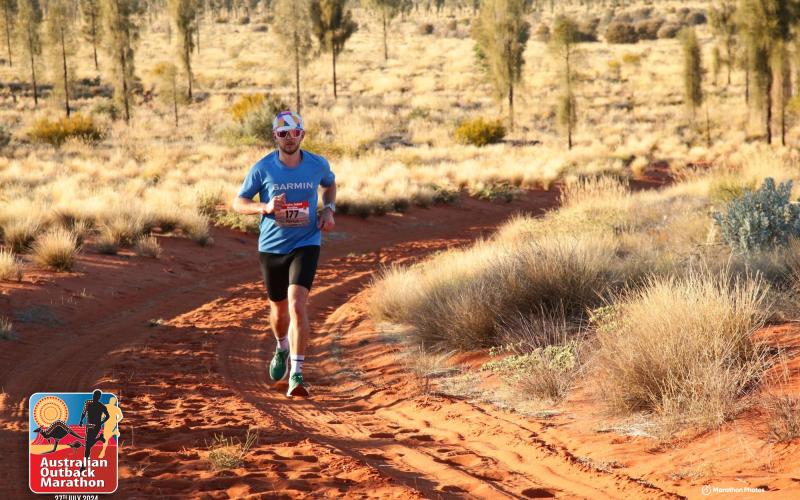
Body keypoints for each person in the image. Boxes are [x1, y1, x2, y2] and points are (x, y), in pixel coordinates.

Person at [232, 110, 336, 397]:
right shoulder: (263, 168)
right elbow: (239, 202)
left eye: (294, 133)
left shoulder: (317, 164)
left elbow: (329, 185)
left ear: (302, 134)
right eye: (282, 134)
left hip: (306, 242)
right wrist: (263, 208)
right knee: (278, 310)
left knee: (297, 305)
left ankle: (297, 374)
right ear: (275, 137)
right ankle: (281, 347)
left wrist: (329, 209)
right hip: (271, 247)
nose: (289, 139)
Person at [79, 390, 110, 471]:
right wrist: (81, 421)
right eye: (94, 396)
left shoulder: (100, 406)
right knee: (88, 446)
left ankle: (83, 465)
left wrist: (101, 422)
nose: (95, 397)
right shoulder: (90, 404)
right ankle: (99, 438)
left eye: (96, 396)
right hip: (90, 426)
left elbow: (108, 416)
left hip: (95, 426)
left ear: (98, 397)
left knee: (88, 446)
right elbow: (84, 412)